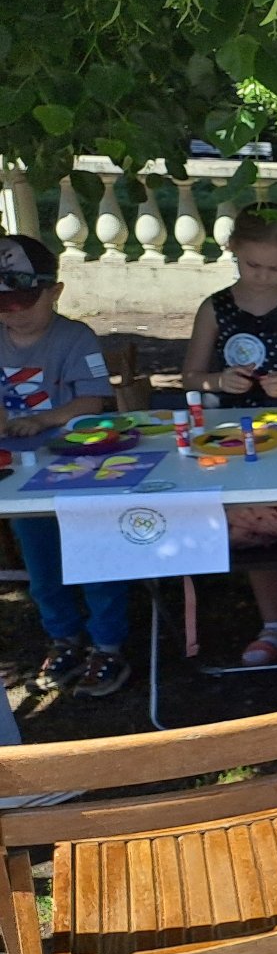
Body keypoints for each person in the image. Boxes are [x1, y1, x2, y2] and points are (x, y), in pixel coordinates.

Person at [180, 205, 277, 666]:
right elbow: (190, 375)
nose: (265, 276)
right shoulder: (215, 307)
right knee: (255, 528)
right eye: (254, 266)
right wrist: (216, 381)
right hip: (234, 441)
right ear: (233, 250)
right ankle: (274, 625)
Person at [0, 234, 133, 698]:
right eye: (3, 302)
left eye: (24, 299)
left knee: (95, 557)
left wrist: (38, 419)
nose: (13, 310)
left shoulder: (74, 337)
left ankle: (108, 645)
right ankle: (63, 640)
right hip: (18, 477)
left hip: (81, 468)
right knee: (42, 565)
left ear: (54, 291)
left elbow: (94, 399)